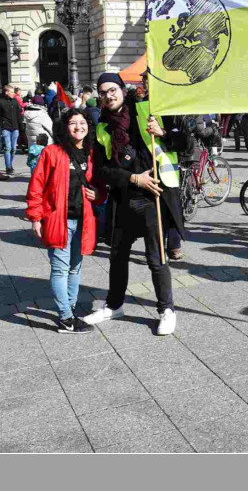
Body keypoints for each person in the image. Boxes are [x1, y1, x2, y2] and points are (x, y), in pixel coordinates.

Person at [83, 73, 193, 336]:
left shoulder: (148, 111)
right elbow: (103, 170)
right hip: (123, 198)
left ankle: (166, 310)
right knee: (117, 256)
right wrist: (133, 178)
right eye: (103, 92)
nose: (108, 95)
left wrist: (162, 132)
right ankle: (114, 305)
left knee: (156, 258)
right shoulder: (103, 126)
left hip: (152, 197)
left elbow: (186, 144)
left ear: (123, 89)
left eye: (112, 90)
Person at [26, 109, 101, 334]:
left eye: (82, 122)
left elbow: (99, 186)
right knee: (60, 269)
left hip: (83, 220)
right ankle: (66, 318)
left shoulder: (91, 153)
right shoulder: (52, 152)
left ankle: (70, 309)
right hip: (59, 220)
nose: (78, 127)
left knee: (75, 268)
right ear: (64, 127)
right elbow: (37, 185)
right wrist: (35, 217)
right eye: (73, 123)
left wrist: (98, 194)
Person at [0, 84, 22, 176]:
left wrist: (20, 125)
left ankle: (10, 164)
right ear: (6, 92)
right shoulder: (0, 102)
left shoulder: (15, 101)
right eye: (11, 92)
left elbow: (19, 114)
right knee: (8, 148)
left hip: (15, 127)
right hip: (6, 128)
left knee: (14, 149)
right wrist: (1, 125)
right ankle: (8, 167)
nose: (13, 94)